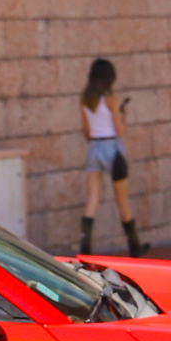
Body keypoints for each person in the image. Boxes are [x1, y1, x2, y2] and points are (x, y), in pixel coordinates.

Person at [76, 58, 140, 257]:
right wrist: (123, 115)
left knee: (93, 199)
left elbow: (86, 131)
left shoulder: (86, 100)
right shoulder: (111, 99)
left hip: (94, 147)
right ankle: (134, 246)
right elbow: (119, 129)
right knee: (122, 200)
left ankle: (85, 247)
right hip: (112, 147)